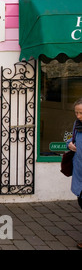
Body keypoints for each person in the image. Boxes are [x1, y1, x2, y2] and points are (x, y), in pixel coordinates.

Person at [67, 97, 82, 249]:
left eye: (81, 113)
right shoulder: (77, 125)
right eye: (76, 112)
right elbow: (71, 140)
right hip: (79, 171)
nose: (78, 116)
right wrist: (70, 145)